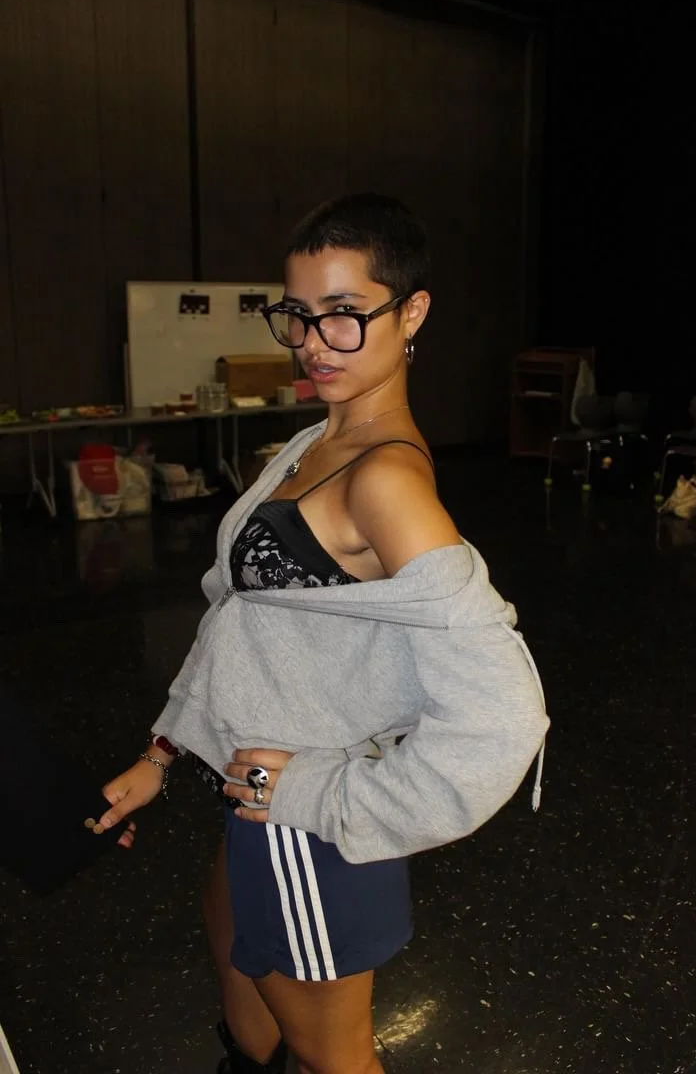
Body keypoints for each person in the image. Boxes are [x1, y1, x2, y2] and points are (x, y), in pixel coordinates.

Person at [100, 193, 549, 1074]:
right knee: (254, 1038)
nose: (312, 343)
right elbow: (242, 628)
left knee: (335, 1063)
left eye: (345, 315)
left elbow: (503, 721)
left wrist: (319, 798)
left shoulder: (388, 484)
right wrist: (162, 753)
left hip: (311, 833)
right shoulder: (313, 440)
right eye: (298, 315)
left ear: (411, 311)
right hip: (249, 807)